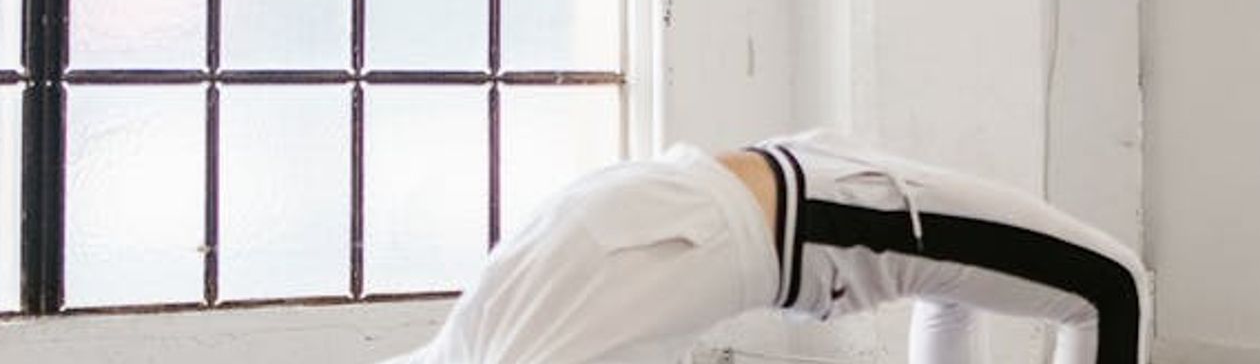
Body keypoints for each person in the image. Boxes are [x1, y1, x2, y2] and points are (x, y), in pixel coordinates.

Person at [378, 128, 1149, 364]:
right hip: (811, 212)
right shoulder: (508, 330)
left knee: (951, 285)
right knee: (1113, 287)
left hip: (785, 201)